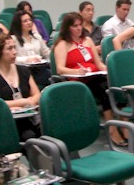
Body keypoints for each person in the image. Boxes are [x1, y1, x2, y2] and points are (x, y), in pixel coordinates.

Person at [53, 12, 128, 147]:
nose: (79, 28)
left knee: (117, 85)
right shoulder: (62, 44)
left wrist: (107, 69)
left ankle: (123, 122)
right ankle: (111, 128)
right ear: (67, 28)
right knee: (103, 89)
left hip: (94, 75)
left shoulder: (87, 41)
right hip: (77, 80)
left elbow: (98, 63)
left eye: (80, 25)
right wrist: (76, 71)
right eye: (75, 26)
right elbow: (60, 69)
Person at [0, 33, 42, 141]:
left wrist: (30, 102)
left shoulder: (23, 70)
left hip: (28, 116)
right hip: (5, 121)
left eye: (14, 47)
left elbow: (37, 94)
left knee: (50, 127)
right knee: (30, 136)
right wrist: (23, 102)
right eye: (10, 48)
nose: (15, 52)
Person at [9, 10, 52, 89]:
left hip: (40, 68)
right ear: (18, 24)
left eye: (30, 20)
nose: (29, 23)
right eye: (25, 21)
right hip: (22, 70)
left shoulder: (37, 37)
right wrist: (28, 59)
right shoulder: (13, 39)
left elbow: (46, 53)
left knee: (50, 76)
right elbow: (11, 59)